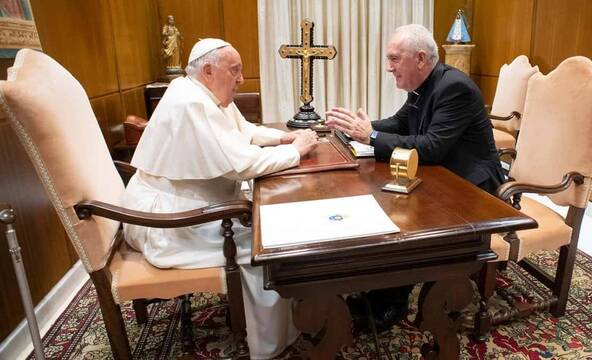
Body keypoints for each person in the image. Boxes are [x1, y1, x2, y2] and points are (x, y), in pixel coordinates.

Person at [124, 38, 319, 359]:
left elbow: (245, 131)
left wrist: (285, 137)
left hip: (190, 206)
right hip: (173, 224)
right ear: (209, 70)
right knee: (267, 244)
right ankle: (269, 346)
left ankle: (287, 321)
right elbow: (243, 164)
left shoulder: (201, 93)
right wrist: (294, 151)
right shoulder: (192, 104)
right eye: (236, 70)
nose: (241, 79)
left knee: (271, 222)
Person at [325, 24, 503, 331]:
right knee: (384, 202)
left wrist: (371, 136)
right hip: (441, 174)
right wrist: (356, 130)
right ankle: (381, 289)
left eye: (394, 59)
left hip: (472, 186)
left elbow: (432, 147)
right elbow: (398, 123)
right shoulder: (423, 86)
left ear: (420, 58)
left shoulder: (453, 87)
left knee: (402, 219)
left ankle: (391, 301)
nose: (388, 67)